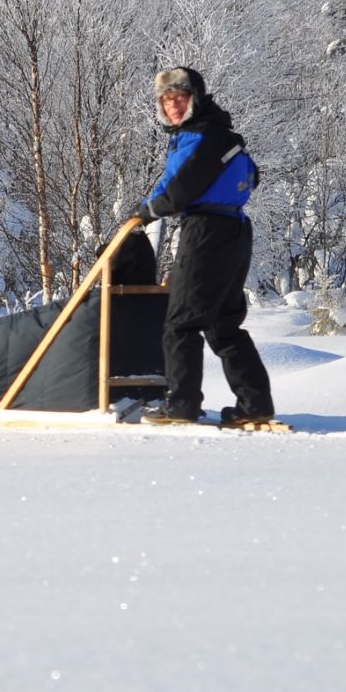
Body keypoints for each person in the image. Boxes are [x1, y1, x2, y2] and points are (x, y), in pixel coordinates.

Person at [131, 66, 275, 428]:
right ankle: (254, 404)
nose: (173, 106)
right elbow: (252, 176)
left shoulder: (201, 137)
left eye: (180, 98)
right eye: (167, 101)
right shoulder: (224, 136)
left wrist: (145, 212)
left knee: (180, 324)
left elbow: (179, 190)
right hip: (235, 230)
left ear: (195, 99)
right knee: (224, 327)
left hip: (206, 231)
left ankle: (180, 405)